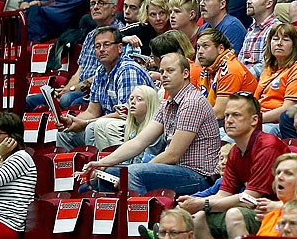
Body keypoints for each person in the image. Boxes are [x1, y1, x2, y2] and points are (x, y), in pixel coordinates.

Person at [85, 51, 223, 196]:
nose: (164, 75)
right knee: (109, 172)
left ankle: (142, 217)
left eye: (170, 71)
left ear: (185, 74)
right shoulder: (167, 104)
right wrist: (103, 163)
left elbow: (172, 154)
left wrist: (133, 173)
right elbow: (139, 142)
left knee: (133, 172)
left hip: (199, 176)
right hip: (177, 170)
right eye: (162, 71)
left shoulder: (192, 102)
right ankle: (118, 217)